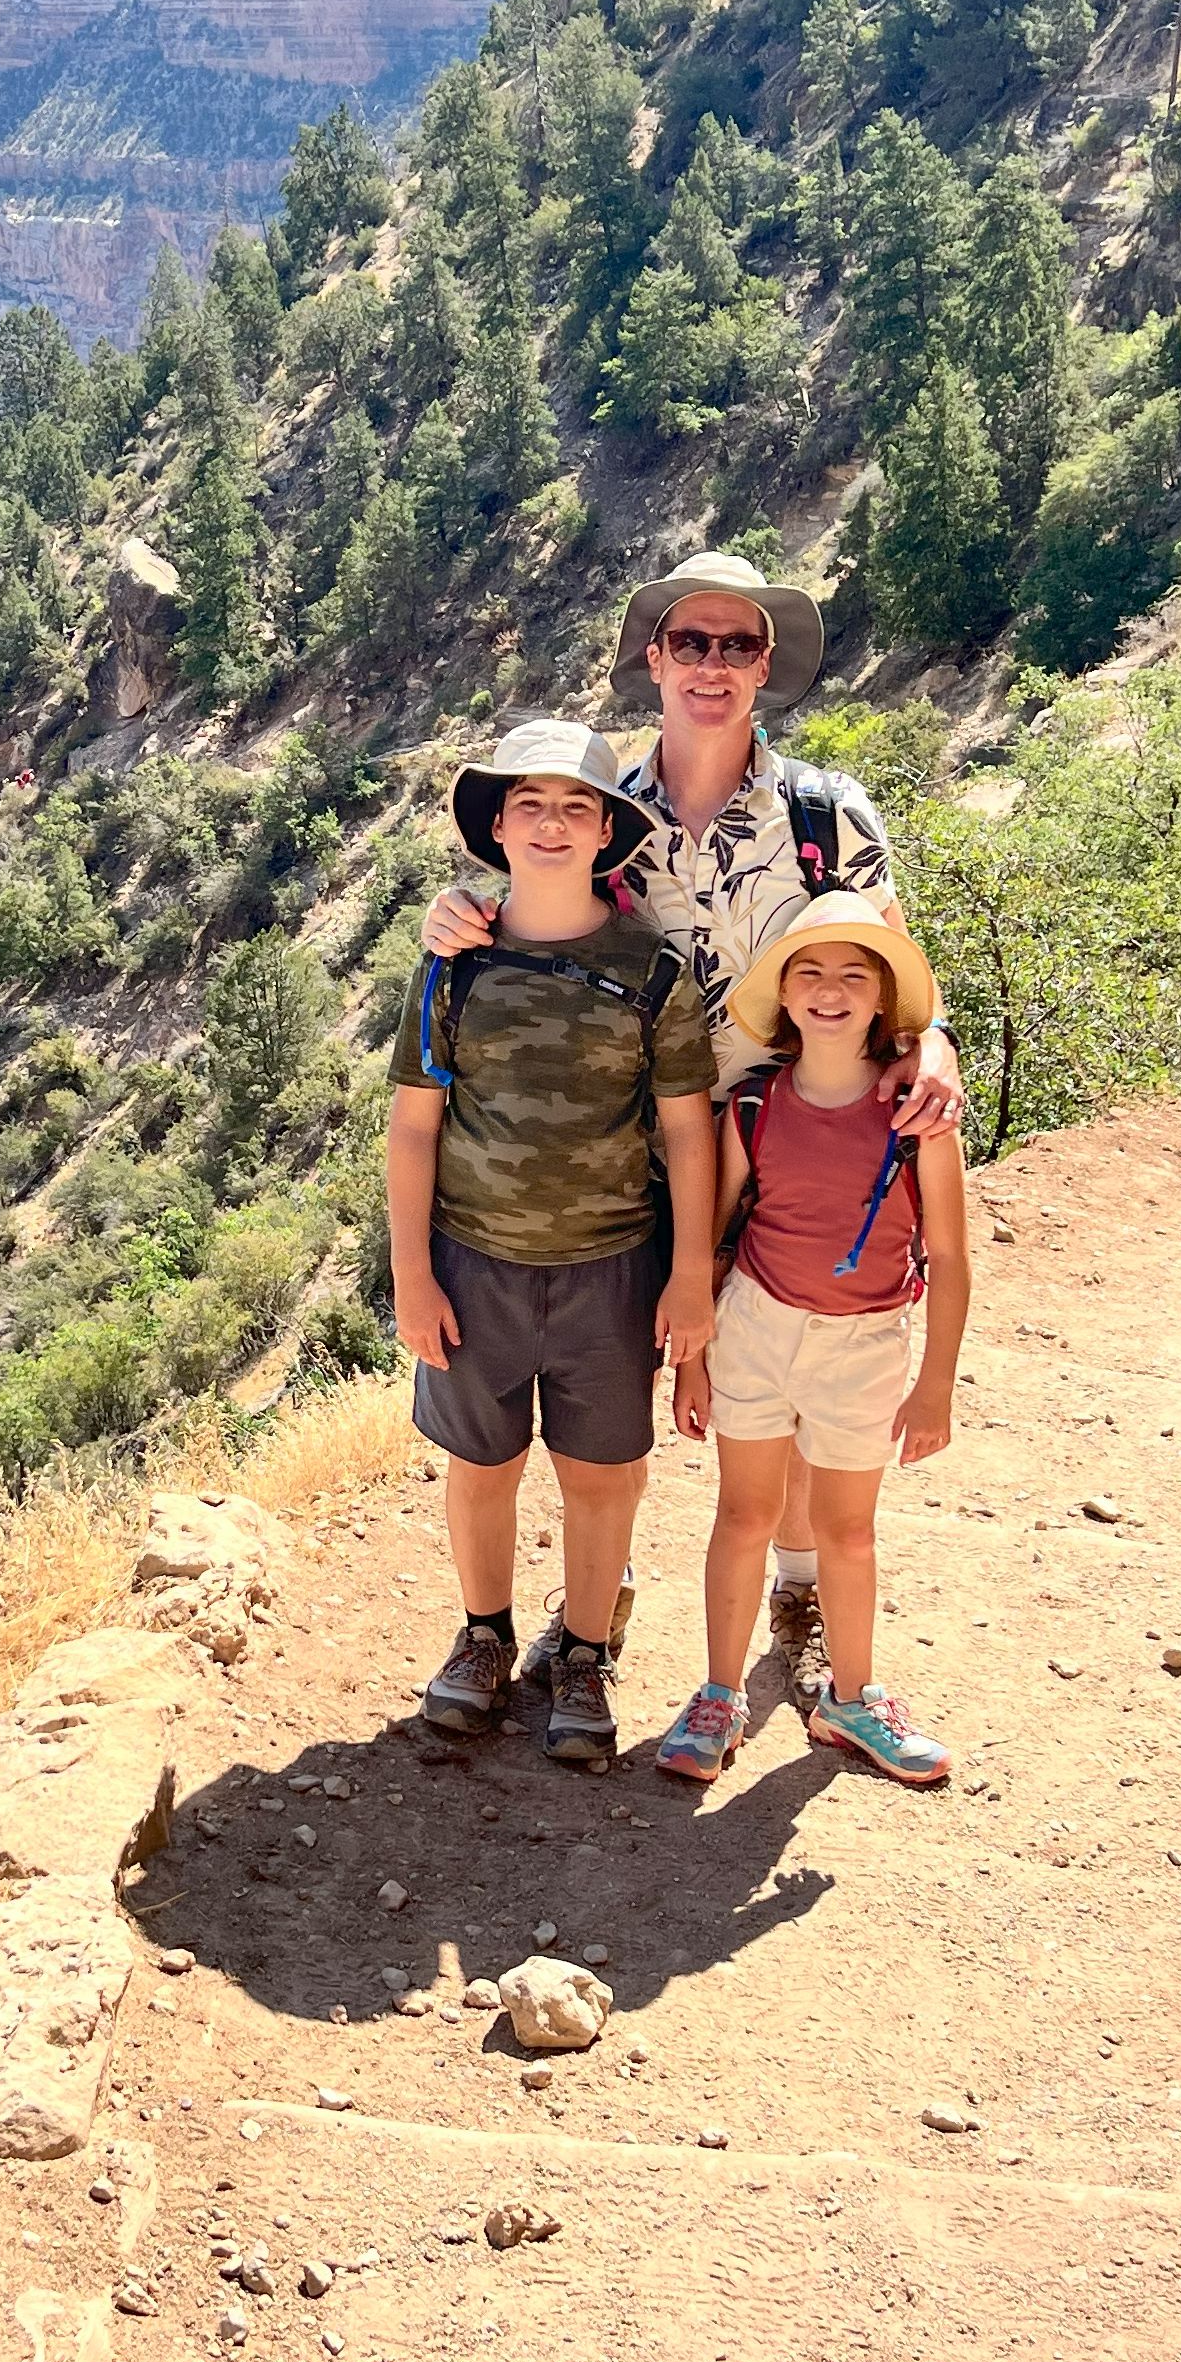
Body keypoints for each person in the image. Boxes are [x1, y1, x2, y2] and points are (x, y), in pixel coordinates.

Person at [422, 549, 962, 1707]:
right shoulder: (608, 809)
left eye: (739, 644)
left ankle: (801, 1599)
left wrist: (939, 1049)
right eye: (692, 643)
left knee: (801, 1362)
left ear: (768, 665)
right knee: (651, 1381)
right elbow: (538, 915)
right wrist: (455, 911)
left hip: (790, 1137)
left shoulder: (828, 815)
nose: (713, 665)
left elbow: (896, 963)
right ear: (653, 660)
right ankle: (592, 1620)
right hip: (642, 1145)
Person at [386, 719, 720, 1768]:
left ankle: (582, 1650)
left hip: (612, 1266)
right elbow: (411, 1125)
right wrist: (410, 1275)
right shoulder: (452, 965)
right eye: (528, 804)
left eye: (576, 806)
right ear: (496, 825)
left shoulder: (651, 969)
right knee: (481, 1464)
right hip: (472, 1260)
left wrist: (691, 1272)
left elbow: (686, 1130)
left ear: (606, 830)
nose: (551, 823)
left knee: (602, 1472)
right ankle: (485, 1638)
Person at [653, 894, 971, 1786]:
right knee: (744, 1514)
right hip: (756, 1325)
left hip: (866, 1341)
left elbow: (947, 1253)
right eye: (809, 973)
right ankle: (720, 1694)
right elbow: (716, 1243)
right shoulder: (753, 1104)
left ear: (883, 1001)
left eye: (853, 975)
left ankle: (853, 1697)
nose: (830, 991)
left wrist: (936, 1384)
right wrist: (695, 1360)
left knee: (849, 1530)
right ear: (784, 996)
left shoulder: (917, 1122)